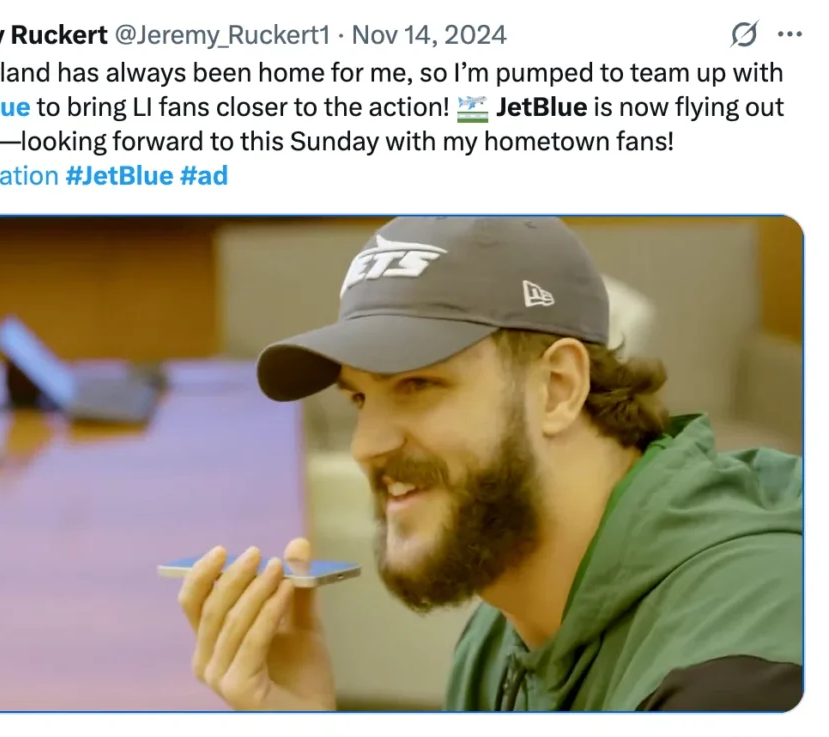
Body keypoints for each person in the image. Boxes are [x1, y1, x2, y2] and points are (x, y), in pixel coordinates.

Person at [176, 217, 802, 711]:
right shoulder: (502, 629)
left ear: (557, 387)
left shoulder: (737, 674)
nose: (366, 444)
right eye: (361, 397)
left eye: (418, 384)